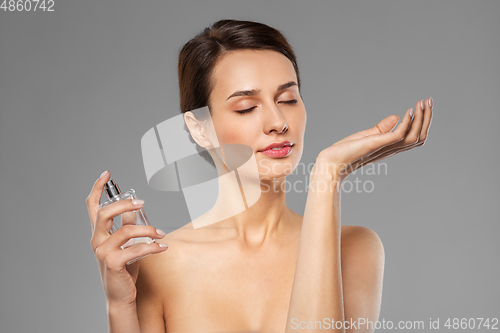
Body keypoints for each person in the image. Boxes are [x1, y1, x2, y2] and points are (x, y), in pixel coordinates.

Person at [86, 19, 433, 332]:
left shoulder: (355, 248)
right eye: (246, 107)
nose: (277, 122)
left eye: (288, 99)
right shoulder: (157, 265)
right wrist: (119, 306)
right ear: (199, 129)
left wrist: (327, 176)